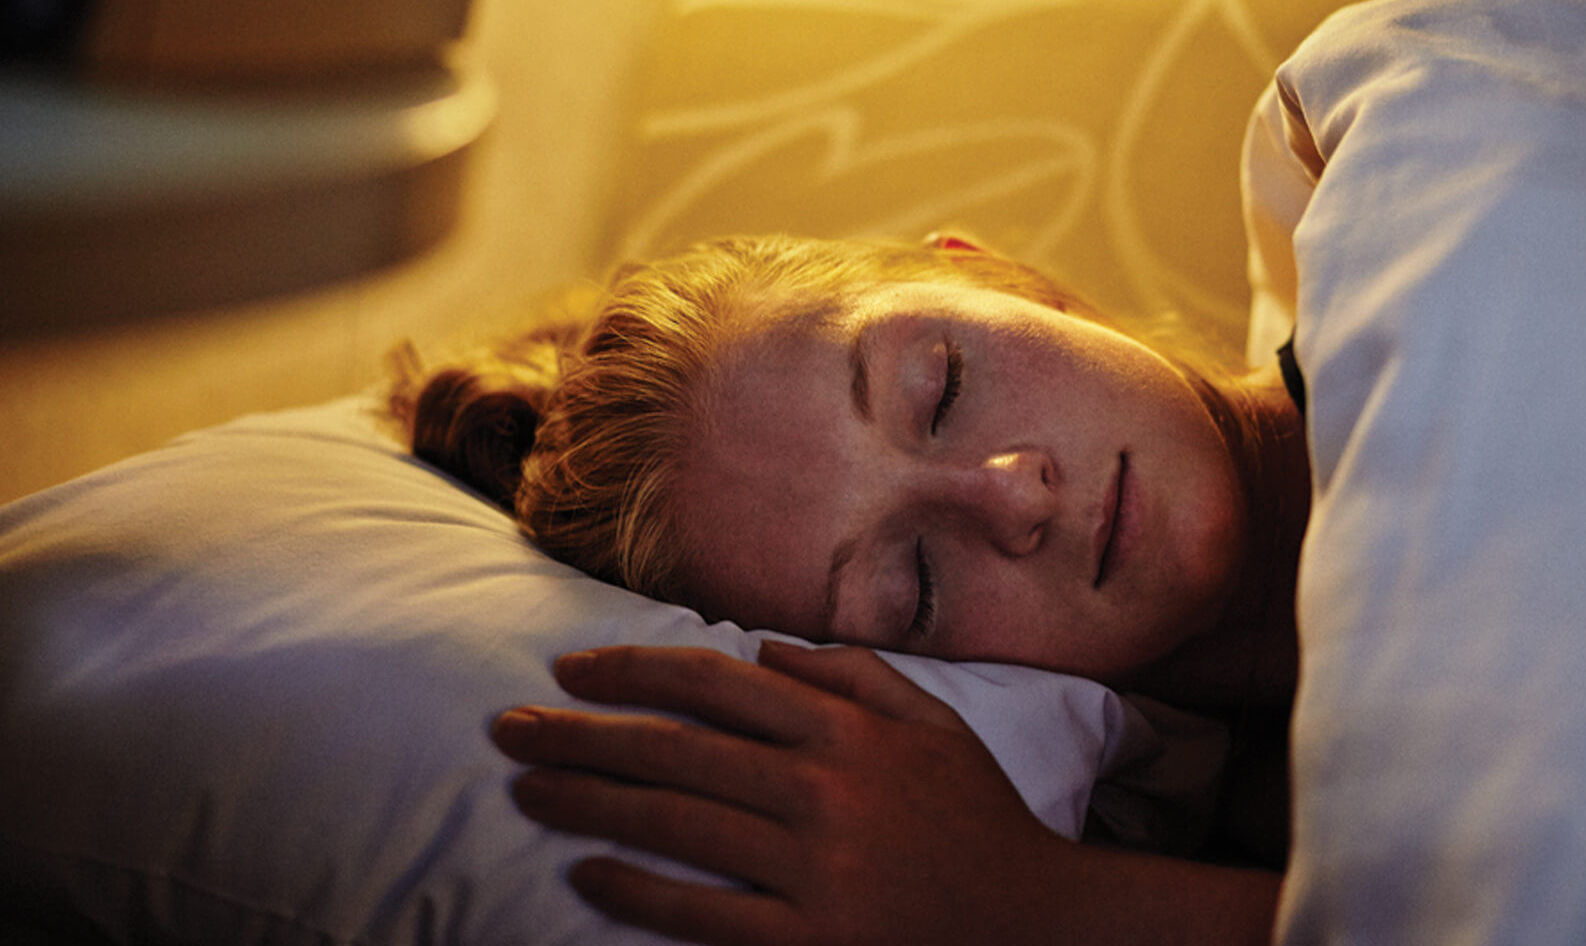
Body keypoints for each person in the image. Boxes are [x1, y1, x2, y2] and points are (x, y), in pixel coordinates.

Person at [389, 231, 1312, 944]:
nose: (1009, 494)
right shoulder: (1269, 834)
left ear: (1000, 277)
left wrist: (1056, 909)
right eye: (913, 586)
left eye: (943, 387)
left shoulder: (1415, 222)